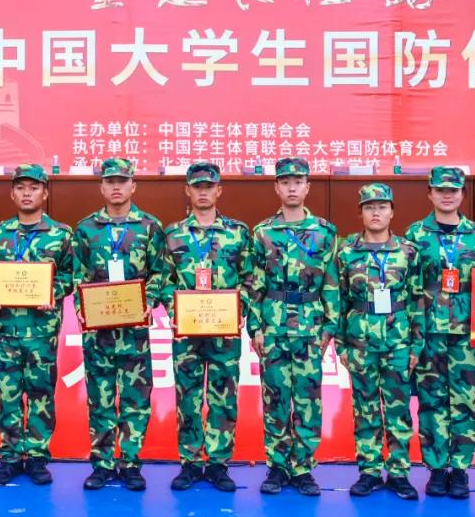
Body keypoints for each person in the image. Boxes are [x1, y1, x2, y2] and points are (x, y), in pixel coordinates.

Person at [247, 157, 340, 497]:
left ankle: (302, 468)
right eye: (285, 182)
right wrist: (255, 327)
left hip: (310, 326)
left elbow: (331, 281)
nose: (291, 187)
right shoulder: (263, 232)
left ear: (307, 187)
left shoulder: (325, 232)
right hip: (273, 325)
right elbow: (253, 284)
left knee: (308, 398)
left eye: (297, 182)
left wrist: (330, 325)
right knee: (274, 397)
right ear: (276, 187)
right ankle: (276, 466)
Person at [72, 157, 166, 491]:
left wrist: (147, 300)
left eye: (122, 181)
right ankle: (101, 463)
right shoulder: (86, 228)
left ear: (133, 186)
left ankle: (130, 462)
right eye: (110, 181)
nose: (116, 187)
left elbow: (160, 272)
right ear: (101, 186)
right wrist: (82, 305)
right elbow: (77, 274)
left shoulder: (150, 227)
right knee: (100, 398)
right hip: (98, 331)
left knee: (135, 399)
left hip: (134, 331)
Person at [162, 162, 252, 492]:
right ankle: (189, 462)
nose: (203, 192)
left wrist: (238, 307)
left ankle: (217, 463)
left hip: (224, 331)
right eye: (197, 186)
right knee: (187, 397)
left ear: (219, 190)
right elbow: (163, 279)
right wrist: (175, 309)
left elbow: (250, 277)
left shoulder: (238, 232)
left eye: (209, 186)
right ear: (187, 190)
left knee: (223, 397)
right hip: (186, 331)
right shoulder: (172, 234)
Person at [0, 164, 74, 486]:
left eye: (34, 188)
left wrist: (54, 291)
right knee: (8, 393)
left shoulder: (62, 234)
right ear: (12, 193)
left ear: (45, 193)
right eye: (21, 188)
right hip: (5, 329)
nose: (27, 193)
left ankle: (37, 456)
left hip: (42, 331)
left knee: (41, 393)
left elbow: (71, 275)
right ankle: (10, 456)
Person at [405, 166, 475, 499]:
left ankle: (461, 469)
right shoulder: (414, 234)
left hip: (466, 334)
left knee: (465, 402)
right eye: (440, 190)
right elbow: (409, 287)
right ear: (430, 193)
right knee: (431, 401)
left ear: (462, 194)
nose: (447, 195)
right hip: (428, 332)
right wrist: (413, 334)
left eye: (453, 190)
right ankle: (437, 469)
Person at [338, 183, 423, 501]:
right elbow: (339, 300)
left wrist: (416, 345)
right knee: (365, 409)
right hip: (359, 342)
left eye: (382, 206)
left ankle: (399, 472)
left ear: (392, 212)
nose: (376, 212)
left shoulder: (408, 252)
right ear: (361, 212)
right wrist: (341, 346)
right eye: (369, 207)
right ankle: (370, 471)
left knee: (399, 409)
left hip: (398, 343)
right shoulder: (346, 252)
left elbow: (417, 300)